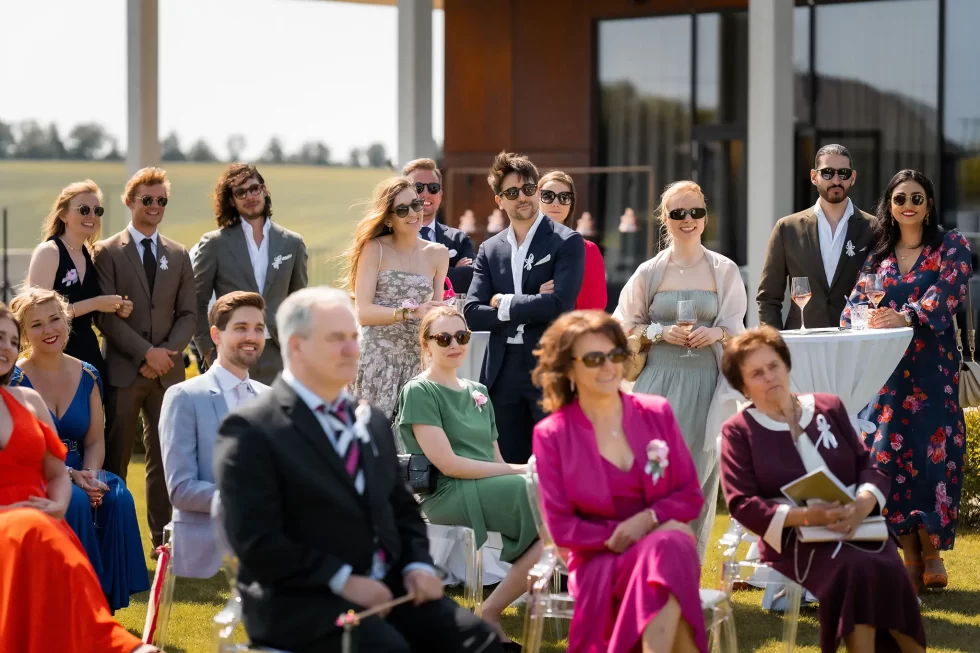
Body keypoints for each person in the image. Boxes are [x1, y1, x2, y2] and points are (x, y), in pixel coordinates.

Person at [213, 287, 504, 653]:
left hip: (395, 591)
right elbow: (257, 541)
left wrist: (418, 565)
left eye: (354, 336)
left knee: (483, 642)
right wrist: (343, 580)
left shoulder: (370, 420)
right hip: (307, 601)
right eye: (337, 339)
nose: (353, 349)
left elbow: (402, 509)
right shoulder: (253, 430)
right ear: (297, 346)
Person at [719, 327, 926, 653]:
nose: (770, 376)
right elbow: (741, 503)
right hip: (796, 536)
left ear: (787, 366)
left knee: (885, 568)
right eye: (757, 373)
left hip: (858, 522)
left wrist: (863, 502)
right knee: (855, 570)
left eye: (774, 365)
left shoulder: (829, 407)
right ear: (742, 385)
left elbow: (868, 466)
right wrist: (804, 516)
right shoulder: (738, 431)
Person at [531, 311, 707, 653]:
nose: (609, 367)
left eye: (615, 355)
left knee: (668, 548)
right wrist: (628, 536)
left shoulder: (657, 412)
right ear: (568, 368)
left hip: (659, 546)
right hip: (601, 559)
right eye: (595, 359)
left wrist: (648, 520)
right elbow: (564, 529)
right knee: (672, 549)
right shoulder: (552, 434)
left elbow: (690, 496)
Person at [842, 169, 973, 590]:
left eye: (917, 197)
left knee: (932, 455)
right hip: (886, 374)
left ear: (929, 204)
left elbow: (949, 293)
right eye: (900, 199)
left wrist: (907, 315)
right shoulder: (878, 256)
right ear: (890, 207)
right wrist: (866, 319)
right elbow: (854, 308)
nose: (909, 204)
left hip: (932, 372)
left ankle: (931, 550)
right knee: (888, 459)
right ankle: (910, 554)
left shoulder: (951, 245)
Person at [0, 300, 155, 653]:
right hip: (20, 504)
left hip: (62, 482)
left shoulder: (28, 397)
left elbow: (90, 443)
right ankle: (91, 626)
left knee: (112, 496)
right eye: (1, 338)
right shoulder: (24, 380)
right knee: (71, 511)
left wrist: (76, 484)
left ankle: (102, 613)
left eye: (9, 341)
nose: (6, 348)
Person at [612, 180, 745, 559]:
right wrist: (658, 331)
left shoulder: (725, 269)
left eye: (696, 212)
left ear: (705, 217)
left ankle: (685, 564)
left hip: (707, 385)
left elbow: (738, 330)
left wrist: (716, 332)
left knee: (696, 477)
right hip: (656, 385)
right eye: (677, 213)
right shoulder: (649, 271)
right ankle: (645, 561)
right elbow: (621, 326)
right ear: (664, 219)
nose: (688, 220)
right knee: (650, 474)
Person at [397, 306, 540, 646]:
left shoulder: (478, 390)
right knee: (538, 494)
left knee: (549, 503)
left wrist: (516, 472)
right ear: (426, 344)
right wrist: (521, 470)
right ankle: (494, 611)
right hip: (447, 492)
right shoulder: (419, 390)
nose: (454, 344)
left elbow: (494, 457)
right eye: (443, 338)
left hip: (487, 484)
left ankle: (508, 604)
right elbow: (449, 465)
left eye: (461, 337)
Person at [93, 166, 197, 550]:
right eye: (147, 200)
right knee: (115, 458)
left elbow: (189, 313)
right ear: (129, 201)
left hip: (167, 374)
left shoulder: (179, 253)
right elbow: (105, 316)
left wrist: (165, 355)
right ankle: (110, 539)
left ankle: (163, 541)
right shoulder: (106, 252)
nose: (155, 206)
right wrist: (145, 353)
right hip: (124, 370)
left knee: (166, 459)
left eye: (161, 200)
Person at [464, 151, 585, 463]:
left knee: (555, 464)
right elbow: (473, 312)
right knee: (509, 466)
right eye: (512, 192)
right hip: (501, 372)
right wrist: (535, 303)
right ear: (499, 200)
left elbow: (560, 305)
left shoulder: (566, 241)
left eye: (529, 189)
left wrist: (504, 303)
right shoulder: (489, 250)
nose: (523, 198)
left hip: (547, 366)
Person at [160, 291, 270, 578]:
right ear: (216, 335)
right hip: (208, 546)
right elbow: (180, 489)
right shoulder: (184, 396)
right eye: (241, 328)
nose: (252, 336)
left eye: (259, 328)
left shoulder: (271, 400)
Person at [192, 163, 308, 385]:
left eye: (254, 188)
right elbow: (196, 302)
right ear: (231, 200)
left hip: (278, 356)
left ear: (264, 190)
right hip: (230, 353)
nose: (249, 196)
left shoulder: (292, 243)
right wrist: (208, 351)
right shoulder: (214, 244)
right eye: (240, 192)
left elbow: (298, 305)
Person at [343, 176, 449, 419]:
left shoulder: (438, 254)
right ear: (388, 218)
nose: (413, 213)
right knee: (373, 442)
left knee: (415, 444)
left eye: (416, 204)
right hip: (376, 362)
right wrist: (411, 312)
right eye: (402, 209)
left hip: (418, 363)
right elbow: (363, 313)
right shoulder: (374, 248)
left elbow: (435, 311)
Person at [25, 180, 133, 382]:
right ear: (64, 215)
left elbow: (90, 310)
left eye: (97, 210)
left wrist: (115, 307)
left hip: (88, 358)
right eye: (84, 210)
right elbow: (36, 313)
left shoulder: (89, 256)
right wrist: (95, 303)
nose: (92, 216)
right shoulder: (50, 252)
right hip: (54, 356)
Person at [758, 144, 874, 329]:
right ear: (814, 176)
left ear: (852, 178)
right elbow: (768, 298)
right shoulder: (787, 228)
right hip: (802, 342)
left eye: (843, 173)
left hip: (856, 342)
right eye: (827, 173)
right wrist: (774, 343)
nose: (836, 180)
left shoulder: (874, 228)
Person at [403, 158, 476, 293]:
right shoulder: (390, 236)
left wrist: (417, 270)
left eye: (433, 188)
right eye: (418, 188)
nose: (425, 194)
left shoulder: (459, 239)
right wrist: (451, 270)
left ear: (440, 195)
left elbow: (470, 278)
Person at [538, 170, 608, 311]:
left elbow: (593, 309)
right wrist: (534, 298)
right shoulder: (516, 246)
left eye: (564, 197)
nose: (556, 203)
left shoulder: (587, 250)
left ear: (571, 204)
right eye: (547, 196)